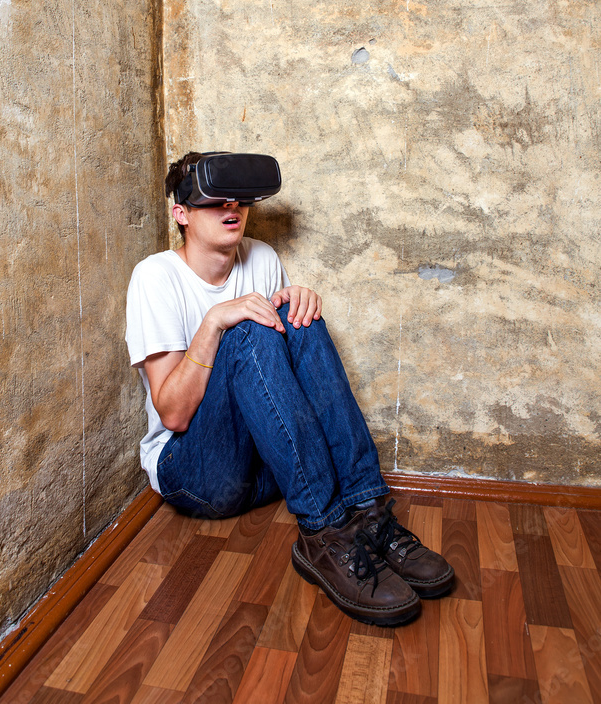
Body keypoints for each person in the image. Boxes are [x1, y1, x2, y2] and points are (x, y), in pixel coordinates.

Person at [125, 151, 454, 626]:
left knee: (299, 319)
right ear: (181, 214)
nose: (230, 207)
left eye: (237, 199)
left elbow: (282, 381)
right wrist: (216, 321)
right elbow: (173, 416)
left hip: (269, 470)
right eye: (213, 201)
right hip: (195, 475)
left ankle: (368, 513)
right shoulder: (155, 277)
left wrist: (299, 305)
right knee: (248, 330)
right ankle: (323, 533)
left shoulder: (261, 256)